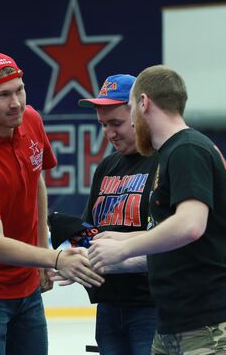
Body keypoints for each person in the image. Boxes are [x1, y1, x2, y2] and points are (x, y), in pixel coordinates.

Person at [0, 52, 104, 355]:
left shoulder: (30, 119)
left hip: (26, 289)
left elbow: (36, 183)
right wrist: (55, 260)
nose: (16, 102)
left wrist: (42, 250)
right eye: (3, 95)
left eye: (19, 89)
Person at [88, 65, 226, 354]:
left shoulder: (186, 149)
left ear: (143, 103)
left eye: (128, 109)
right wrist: (118, 239)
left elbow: (190, 224)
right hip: (178, 318)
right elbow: (171, 230)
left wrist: (124, 250)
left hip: (205, 318)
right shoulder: (175, 150)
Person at [77, 74, 158, 355]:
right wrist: (77, 244)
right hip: (109, 306)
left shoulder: (166, 160)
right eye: (103, 125)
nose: (109, 133)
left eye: (116, 123)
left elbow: (173, 234)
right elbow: (92, 228)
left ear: (140, 113)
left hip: (153, 306)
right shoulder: (107, 166)